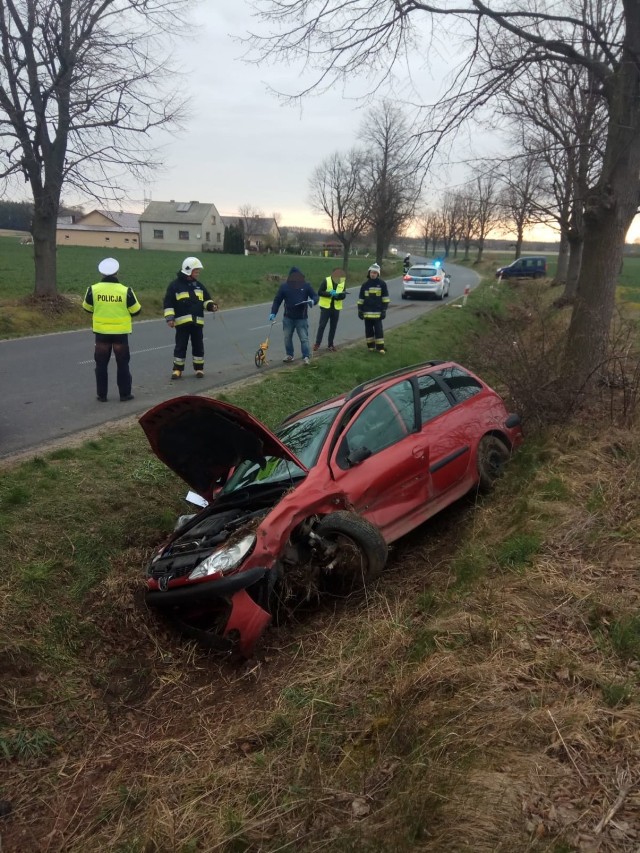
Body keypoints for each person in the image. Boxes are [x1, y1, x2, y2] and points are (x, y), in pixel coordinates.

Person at [82, 257, 141, 402]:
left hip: (101, 334)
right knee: (122, 364)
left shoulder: (93, 289)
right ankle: (125, 394)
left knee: (101, 365)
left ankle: (102, 395)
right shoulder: (125, 291)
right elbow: (136, 310)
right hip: (120, 334)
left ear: (102, 273)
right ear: (117, 272)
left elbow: (87, 308)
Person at [164, 257, 218, 379]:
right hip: (182, 324)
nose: (198, 273)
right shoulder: (175, 286)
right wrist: (170, 318)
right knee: (180, 346)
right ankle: (177, 370)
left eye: (198, 271)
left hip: (197, 323)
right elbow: (168, 303)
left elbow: (206, 300)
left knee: (198, 346)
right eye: (196, 271)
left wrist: (211, 306)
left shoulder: (199, 286)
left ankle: (199, 369)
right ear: (188, 270)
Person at [269, 267, 318, 365]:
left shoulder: (306, 285)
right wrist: (273, 312)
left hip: (301, 318)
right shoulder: (284, 287)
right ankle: (289, 355)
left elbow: (315, 296)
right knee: (287, 337)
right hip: (288, 317)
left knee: (304, 338)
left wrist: (313, 301)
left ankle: (306, 356)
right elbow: (277, 300)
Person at [357, 263, 390, 354]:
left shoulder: (382, 284)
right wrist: (360, 310)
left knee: (379, 330)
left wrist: (384, 310)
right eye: (372, 272)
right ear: (369, 273)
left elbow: (385, 298)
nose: (373, 274)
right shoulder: (365, 285)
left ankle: (380, 348)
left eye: (375, 273)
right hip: (367, 313)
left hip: (378, 313)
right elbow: (361, 299)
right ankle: (370, 347)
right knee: (368, 331)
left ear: (378, 274)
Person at [313, 267, 347, 352]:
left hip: (336, 308)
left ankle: (330, 345)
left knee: (333, 327)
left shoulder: (342, 282)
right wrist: (330, 294)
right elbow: (320, 292)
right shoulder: (326, 280)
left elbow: (344, 295)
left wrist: (338, 295)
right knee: (322, 326)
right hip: (326, 307)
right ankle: (317, 344)